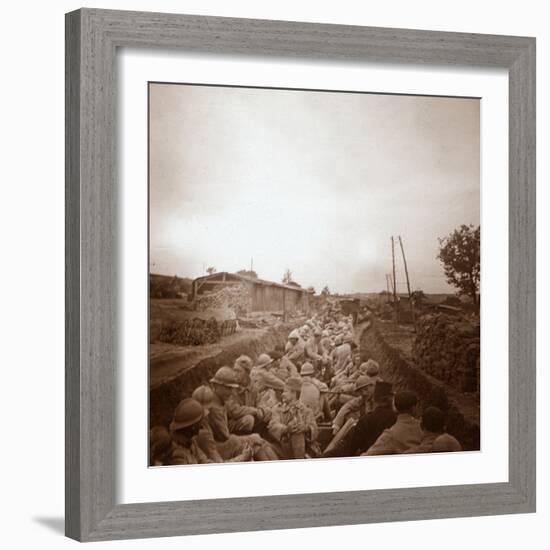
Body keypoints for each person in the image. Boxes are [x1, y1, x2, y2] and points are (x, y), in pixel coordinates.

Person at [325, 381, 396, 457]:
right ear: (392, 399)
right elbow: (348, 406)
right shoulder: (399, 418)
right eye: (361, 391)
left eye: (366, 389)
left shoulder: (367, 420)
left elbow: (349, 447)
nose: (364, 393)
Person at [268, 376, 318, 459]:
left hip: (305, 447)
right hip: (281, 447)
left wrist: (305, 428)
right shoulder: (278, 409)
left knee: (298, 432)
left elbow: (315, 428)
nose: (282, 394)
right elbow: (272, 425)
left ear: (294, 393)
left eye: (285, 391)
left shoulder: (306, 410)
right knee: (295, 431)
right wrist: (286, 429)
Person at [365, 390, 423, 455]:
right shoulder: (424, 427)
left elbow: (368, 455)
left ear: (395, 408)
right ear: (414, 408)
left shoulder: (390, 435)